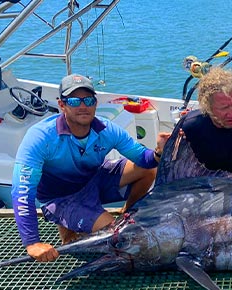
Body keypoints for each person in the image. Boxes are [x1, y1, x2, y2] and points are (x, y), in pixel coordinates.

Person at [11, 74, 169, 262]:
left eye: (88, 100)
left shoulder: (106, 129)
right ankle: (69, 225)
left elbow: (144, 160)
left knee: (149, 171)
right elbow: (22, 193)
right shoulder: (40, 137)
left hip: (94, 179)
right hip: (61, 197)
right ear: (62, 105)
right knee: (114, 231)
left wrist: (159, 151)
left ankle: (127, 212)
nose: (83, 106)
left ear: (95, 103)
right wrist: (32, 242)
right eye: (74, 101)